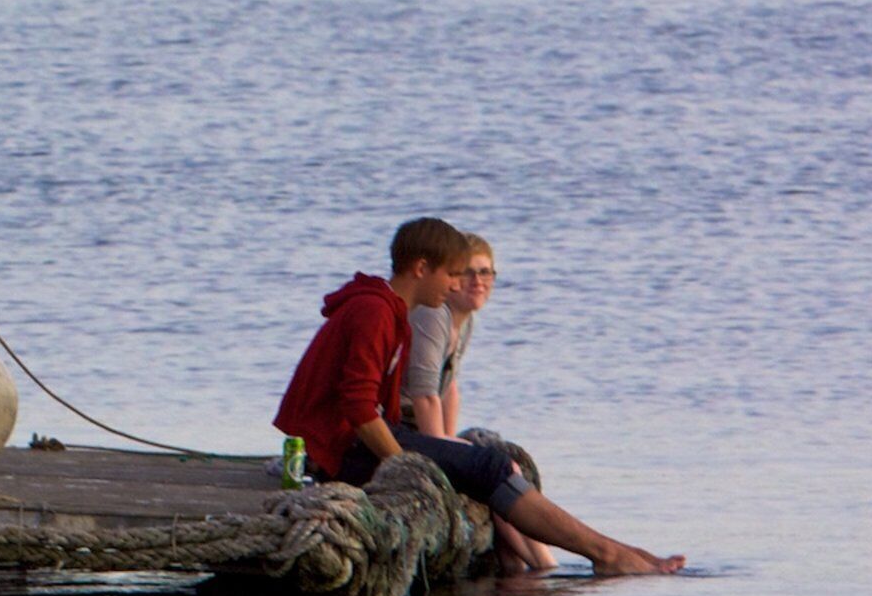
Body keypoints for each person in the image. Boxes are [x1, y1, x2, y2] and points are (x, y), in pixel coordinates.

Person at [277, 216, 681, 577]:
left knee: (488, 462)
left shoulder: (390, 311)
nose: (456, 285)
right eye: (452, 274)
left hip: (349, 442)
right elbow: (359, 408)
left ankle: (596, 553)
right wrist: (406, 466)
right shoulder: (375, 312)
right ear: (421, 269)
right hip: (338, 450)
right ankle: (605, 553)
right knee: (489, 466)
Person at [402, 234, 548, 574]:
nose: (478, 281)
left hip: (419, 427)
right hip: (399, 427)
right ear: (450, 278)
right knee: (499, 471)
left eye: (486, 272)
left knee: (501, 466)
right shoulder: (433, 315)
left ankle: (519, 570)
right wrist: (446, 449)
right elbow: (425, 394)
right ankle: (544, 568)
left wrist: (451, 438)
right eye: (467, 272)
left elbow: (449, 387)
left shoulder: (463, 320)